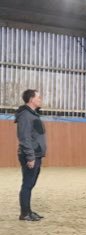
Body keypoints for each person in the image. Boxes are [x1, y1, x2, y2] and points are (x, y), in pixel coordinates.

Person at [15, 89, 47, 221]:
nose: (40, 99)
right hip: (31, 155)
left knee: (30, 183)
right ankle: (24, 213)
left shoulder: (32, 114)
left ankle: (28, 211)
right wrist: (30, 156)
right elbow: (24, 138)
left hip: (36, 154)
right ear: (31, 99)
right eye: (38, 97)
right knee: (27, 184)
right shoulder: (25, 116)